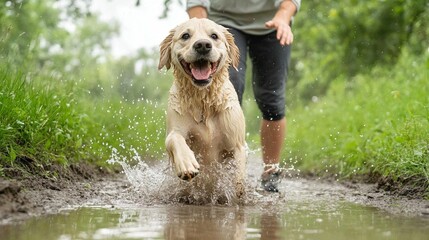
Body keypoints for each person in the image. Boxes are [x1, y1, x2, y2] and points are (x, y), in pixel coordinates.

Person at [186, 0, 301, 192]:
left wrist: (283, 17)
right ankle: (213, 166)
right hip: (224, 22)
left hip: (273, 21)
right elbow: (197, 5)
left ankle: (271, 172)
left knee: (272, 100)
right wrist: (200, 30)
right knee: (227, 88)